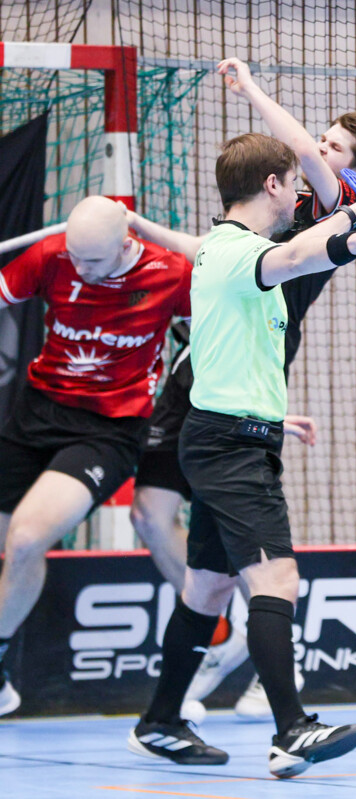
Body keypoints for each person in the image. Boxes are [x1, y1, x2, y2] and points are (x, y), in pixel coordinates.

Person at [128, 54, 356, 722]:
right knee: (255, 576)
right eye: (322, 140)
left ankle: (168, 718)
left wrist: (249, 87)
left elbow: (299, 174)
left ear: (354, 174)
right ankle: (286, 723)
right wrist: (143, 228)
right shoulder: (270, 223)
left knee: (212, 585)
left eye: (335, 148)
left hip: (259, 347)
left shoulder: (334, 201)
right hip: (230, 383)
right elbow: (215, 246)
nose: (317, 148)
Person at [0, 196, 192, 718]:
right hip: (36, 413)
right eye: (74, 257)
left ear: (126, 245)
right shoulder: (51, 256)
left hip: (108, 429)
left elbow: (225, 330)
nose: (80, 270)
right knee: (12, 546)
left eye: (93, 261)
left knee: (26, 538)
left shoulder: (170, 274)